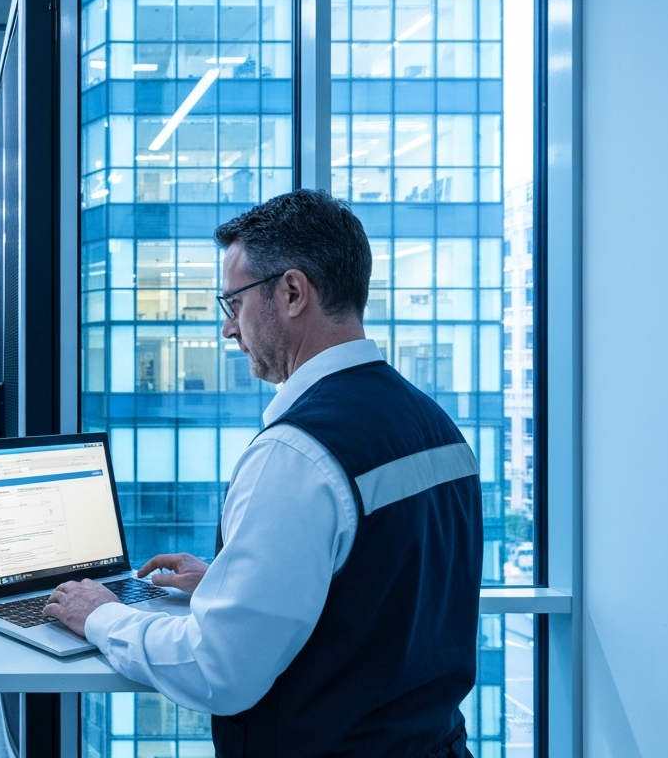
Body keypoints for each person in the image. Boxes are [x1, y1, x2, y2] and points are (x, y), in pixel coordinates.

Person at [42, 189, 483, 757]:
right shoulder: (435, 425)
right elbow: (382, 598)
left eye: (234, 303)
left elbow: (217, 671)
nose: (229, 329)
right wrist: (237, 588)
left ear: (293, 292)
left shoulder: (299, 452)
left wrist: (101, 617)